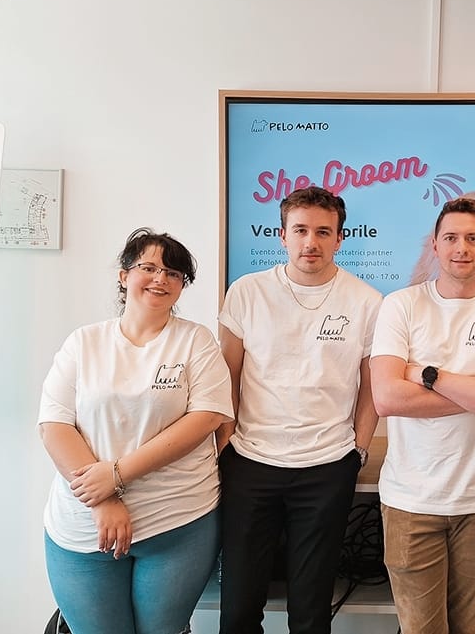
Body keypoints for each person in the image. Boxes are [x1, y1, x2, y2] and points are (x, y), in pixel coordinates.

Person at [38, 228, 234, 634]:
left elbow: (205, 419)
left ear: (182, 285)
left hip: (177, 520)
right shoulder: (84, 342)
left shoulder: (197, 341)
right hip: (85, 525)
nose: (160, 278)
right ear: (124, 275)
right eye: (149, 267)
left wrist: (116, 475)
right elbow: (54, 424)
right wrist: (103, 498)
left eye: (173, 273)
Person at [217, 186, 382, 634]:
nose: (311, 242)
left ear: (340, 238)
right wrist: (227, 444)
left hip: (327, 466)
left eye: (323, 232)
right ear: (282, 235)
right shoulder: (247, 292)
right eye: (301, 230)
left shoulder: (367, 302)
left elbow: (371, 387)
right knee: (239, 608)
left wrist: (358, 451)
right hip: (250, 461)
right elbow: (226, 376)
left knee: (310, 612)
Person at [370, 196, 475, 634]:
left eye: (473, 239)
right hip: (410, 501)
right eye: (451, 238)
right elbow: (387, 398)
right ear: (435, 245)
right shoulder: (400, 305)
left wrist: (427, 375)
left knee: (471, 628)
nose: (461, 248)